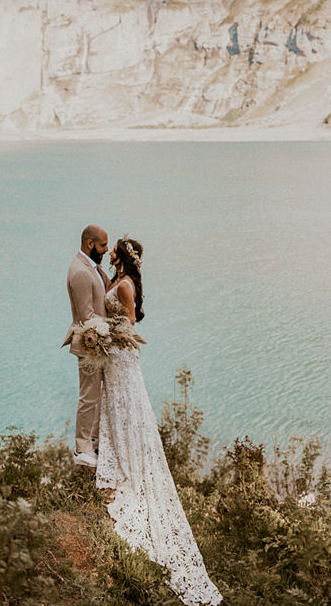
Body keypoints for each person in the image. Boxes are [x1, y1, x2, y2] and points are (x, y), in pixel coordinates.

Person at [96, 236, 222, 606]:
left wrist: (109, 337)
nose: (111, 252)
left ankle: (130, 467)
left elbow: (130, 326)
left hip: (122, 358)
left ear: (123, 255)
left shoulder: (127, 286)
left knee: (128, 410)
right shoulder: (114, 278)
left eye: (115, 248)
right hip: (113, 359)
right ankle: (119, 453)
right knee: (119, 410)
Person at [62, 224, 110, 467]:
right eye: (103, 245)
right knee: (88, 396)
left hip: (100, 344)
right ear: (90, 243)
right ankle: (82, 448)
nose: (106, 249)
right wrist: (117, 327)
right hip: (88, 344)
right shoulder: (80, 271)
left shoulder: (93, 268)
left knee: (97, 396)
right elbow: (86, 316)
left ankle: (94, 441)